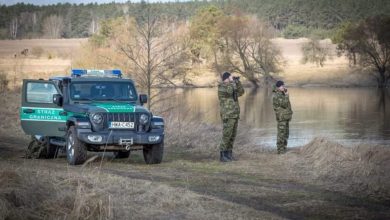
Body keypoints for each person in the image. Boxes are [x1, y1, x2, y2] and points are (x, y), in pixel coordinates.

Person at [218, 72, 245, 162]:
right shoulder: (222, 86)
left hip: (234, 114)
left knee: (232, 135)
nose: (232, 78)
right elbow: (229, 92)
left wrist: (238, 82)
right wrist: (232, 82)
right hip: (227, 114)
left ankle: (229, 154)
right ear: (226, 78)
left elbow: (241, 92)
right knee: (227, 135)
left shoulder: (232, 85)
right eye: (230, 77)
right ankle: (222, 155)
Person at [272, 80, 293, 154]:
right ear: (278, 87)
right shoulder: (277, 95)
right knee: (281, 134)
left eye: (284, 86)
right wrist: (287, 95)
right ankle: (280, 151)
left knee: (286, 134)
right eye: (282, 86)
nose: (283, 87)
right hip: (281, 118)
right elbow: (284, 104)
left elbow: (287, 105)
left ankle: (284, 148)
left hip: (285, 117)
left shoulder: (282, 94)